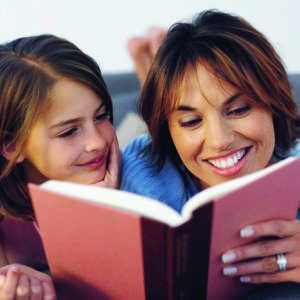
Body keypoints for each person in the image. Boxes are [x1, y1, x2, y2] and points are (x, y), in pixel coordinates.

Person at [121, 9, 300, 289]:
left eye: (239, 110)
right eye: (191, 121)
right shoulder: (140, 169)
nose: (219, 140)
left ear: (273, 103)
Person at [0, 34, 119, 299]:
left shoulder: (123, 169)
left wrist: (104, 212)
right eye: (68, 132)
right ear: (12, 145)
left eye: (101, 116)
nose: (97, 143)